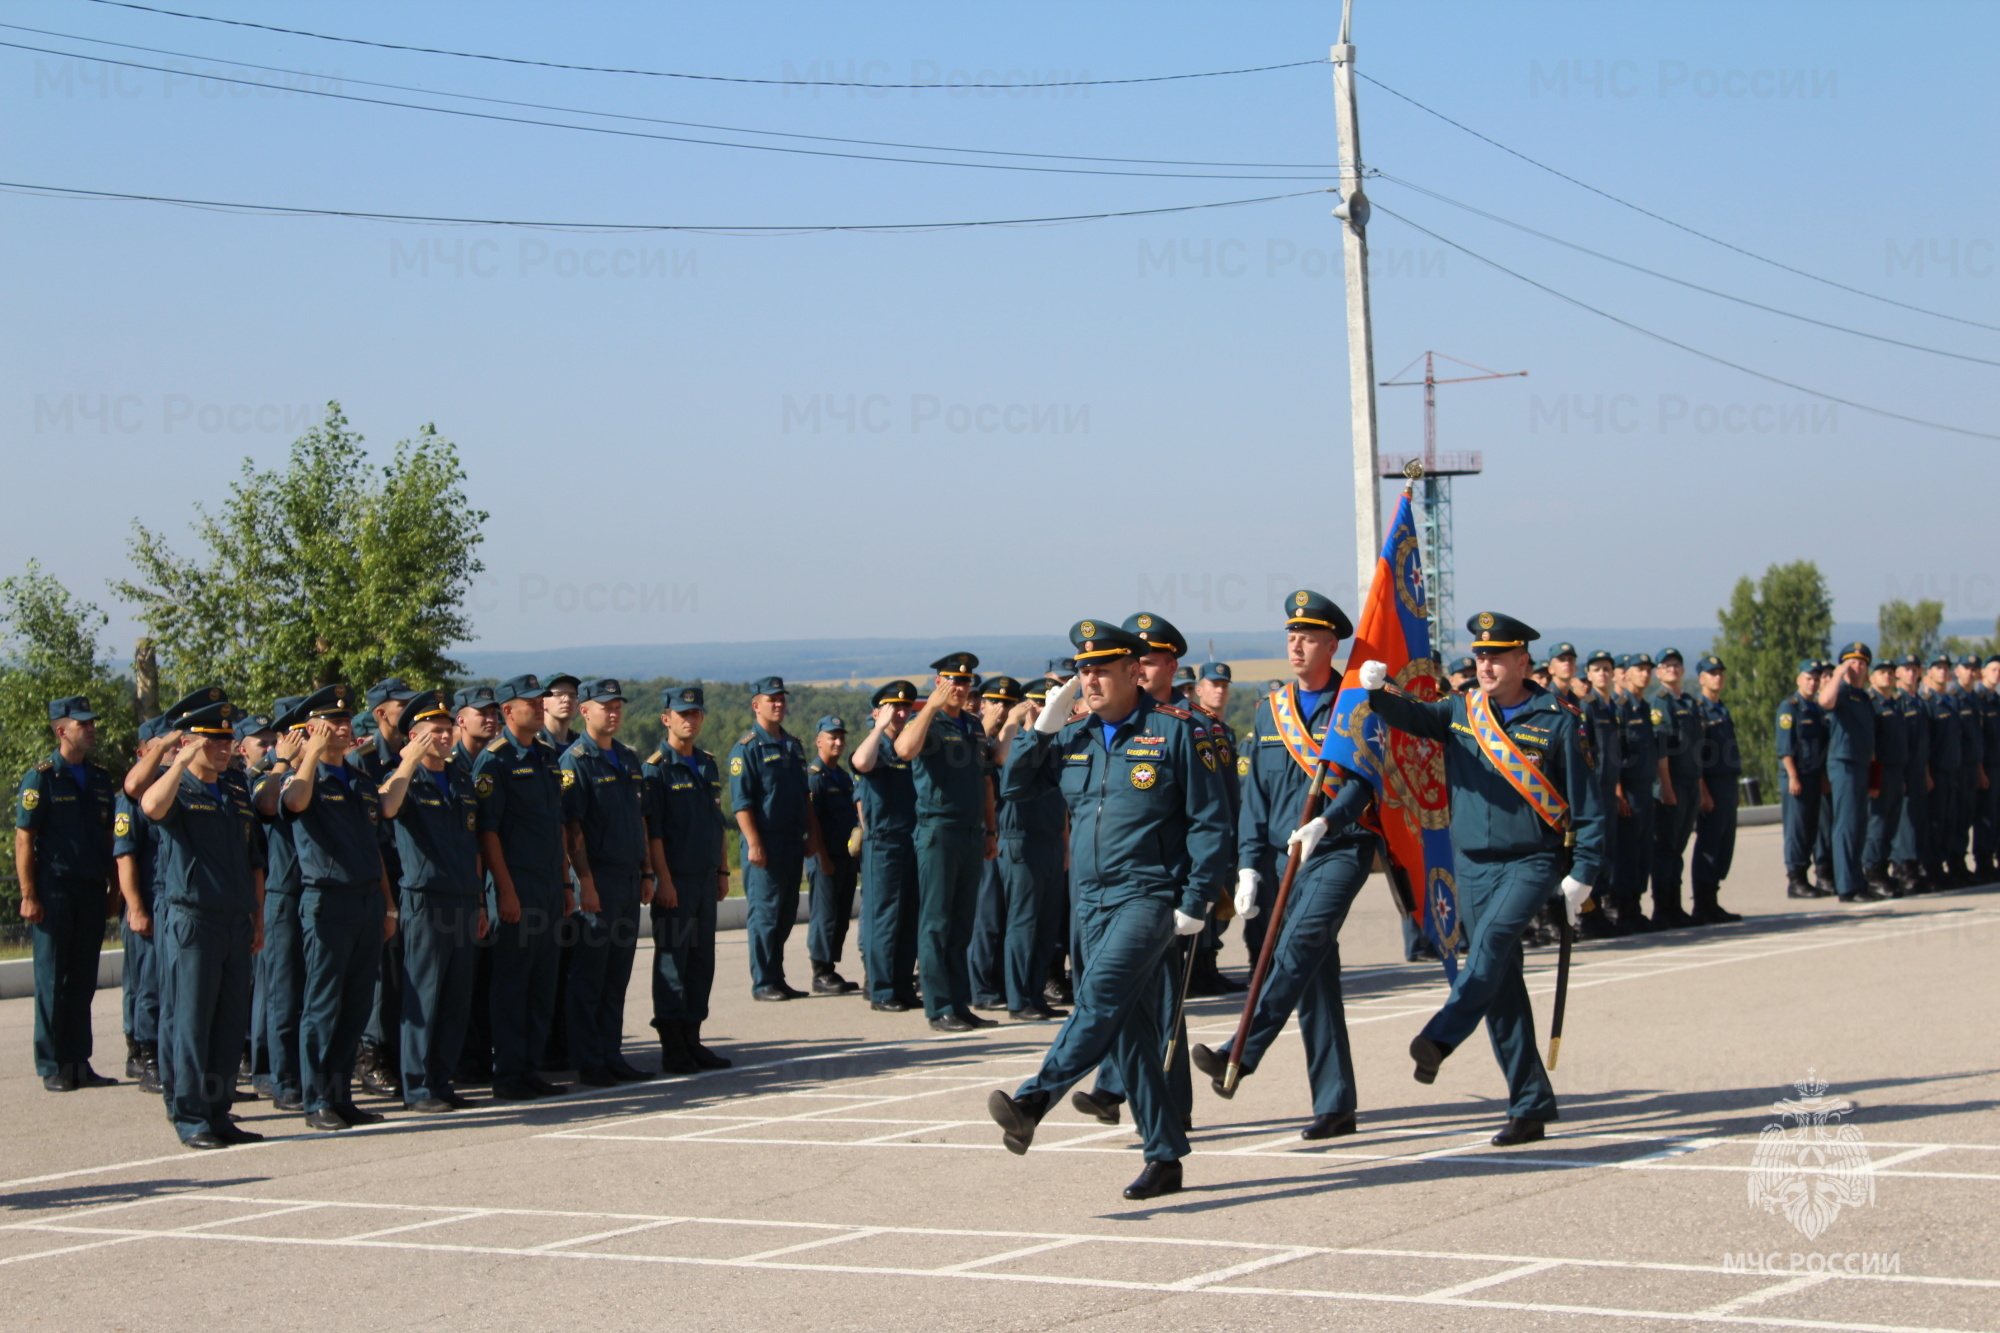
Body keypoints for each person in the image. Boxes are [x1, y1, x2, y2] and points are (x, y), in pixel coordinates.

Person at [986, 619, 1230, 1200]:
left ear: (1132, 670)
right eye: (1081, 669)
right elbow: (1016, 786)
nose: (1088, 679)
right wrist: (1044, 725)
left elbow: (1211, 821)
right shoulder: (1075, 735)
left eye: (1100, 668)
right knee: (1129, 1032)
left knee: (1097, 999)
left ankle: (1032, 1100)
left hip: (1148, 896)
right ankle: (1165, 1155)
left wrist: (1197, 900)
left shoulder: (1177, 732)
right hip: (1089, 900)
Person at [1362, 611, 1605, 1147]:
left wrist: (1583, 873)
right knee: (1502, 990)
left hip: (1530, 861)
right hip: (1472, 863)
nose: (1486, 664)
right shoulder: (1461, 709)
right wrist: (1378, 693)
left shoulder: (1559, 720)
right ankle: (1530, 1103)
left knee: (1491, 948)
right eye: (1479, 656)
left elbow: (1589, 807)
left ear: (1523, 661)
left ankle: (1438, 1039)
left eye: (1497, 656)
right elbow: (1414, 718)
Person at [1192, 589, 1378, 1141]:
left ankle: (1241, 1051)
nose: (1297, 645)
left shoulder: (1357, 703)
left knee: (1296, 948)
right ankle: (1336, 1103)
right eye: (1291, 636)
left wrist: (1329, 822)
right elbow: (1256, 794)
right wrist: (1248, 865)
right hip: (1278, 856)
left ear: (1333, 644)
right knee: (1314, 976)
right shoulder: (1272, 710)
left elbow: (1369, 781)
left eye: (1310, 637)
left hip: (1336, 850)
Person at [141, 700, 266, 1147]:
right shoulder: (179, 790)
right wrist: (178, 759)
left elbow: (252, 860)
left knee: (228, 1024)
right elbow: (150, 804)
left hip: (234, 919)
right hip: (193, 919)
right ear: (194, 742)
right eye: (215, 741)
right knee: (191, 1022)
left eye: (227, 740)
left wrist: (257, 917)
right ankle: (189, 1114)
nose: (225, 748)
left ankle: (217, 1111)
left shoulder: (233, 793)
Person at [277, 685, 397, 1130]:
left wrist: (387, 907)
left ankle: (341, 1094)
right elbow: (293, 803)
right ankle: (316, 1100)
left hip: (366, 900)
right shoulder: (304, 778)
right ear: (312, 729)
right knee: (323, 1005)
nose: (343, 729)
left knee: (355, 1005)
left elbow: (375, 846)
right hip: (328, 901)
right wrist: (308, 752)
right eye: (333, 722)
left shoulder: (360, 781)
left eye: (347, 722)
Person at [474, 674, 582, 1100]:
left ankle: (531, 1067)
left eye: (542, 701)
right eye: (530, 702)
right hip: (515, 884)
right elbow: (489, 832)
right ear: (507, 711)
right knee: (512, 984)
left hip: (547, 885)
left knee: (541, 982)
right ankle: (508, 1074)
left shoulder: (546, 756)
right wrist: (505, 890)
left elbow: (556, 825)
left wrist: (565, 884)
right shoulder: (495, 760)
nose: (540, 707)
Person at [377, 690, 484, 1112]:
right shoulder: (403, 777)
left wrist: (477, 902)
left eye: (447, 729)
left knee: (456, 998)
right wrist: (408, 759)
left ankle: (442, 1080)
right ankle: (418, 1086)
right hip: (425, 900)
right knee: (423, 995)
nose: (445, 736)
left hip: (461, 897)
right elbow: (387, 808)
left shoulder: (460, 778)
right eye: (434, 731)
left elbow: (471, 843)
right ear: (415, 736)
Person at [15, 695, 120, 1092]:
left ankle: (79, 1062)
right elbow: (25, 839)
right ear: (62, 730)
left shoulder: (98, 777)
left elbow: (109, 838)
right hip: (54, 891)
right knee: (51, 980)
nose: (91, 728)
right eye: (82, 724)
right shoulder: (41, 776)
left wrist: (112, 889)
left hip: (91, 890)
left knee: (81, 980)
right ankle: (51, 1064)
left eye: (92, 722)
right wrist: (29, 895)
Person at [559, 679, 661, 1085]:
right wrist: (584, 881)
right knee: (589, 975)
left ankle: (611, 1052)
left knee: (617, 974)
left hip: (626, 876)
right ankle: (588, 1060)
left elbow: (638, 820)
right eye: (605, 706)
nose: (614, 713)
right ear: (585, 711)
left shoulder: (626, 757)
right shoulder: (576, 760)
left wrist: (647, 871)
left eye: (618, 706)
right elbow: (572, 827)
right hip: (596, 878)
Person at [894, 654, 996, 1033]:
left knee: (961, 923)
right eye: (953, 680)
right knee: (936, 922)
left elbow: (985, 780)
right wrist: (927, 709)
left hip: (970, 832)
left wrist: (990, 831)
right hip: (938, 830)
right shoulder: (928, 720)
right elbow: (904, 751)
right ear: (938, 682)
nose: (961, 687)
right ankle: (939, 1008)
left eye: (967, 681)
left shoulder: (972, 724)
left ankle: (959, 1003)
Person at [643, 686, 732, 1074]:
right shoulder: (657, 768)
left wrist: (723, 870)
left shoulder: (707, 764)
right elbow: (654, 832)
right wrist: (662, 879)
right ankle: (672, 1045)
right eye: (682, 714)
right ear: (666, 719)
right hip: (675, 880)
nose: (689, 720)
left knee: (701, 961)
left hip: (703, 876)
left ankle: (693, 1037)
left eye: (695, 713)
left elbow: (717, 823)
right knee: (672, 963)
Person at [728, 677, 826, 1002]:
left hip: (792, 842)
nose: (779, 704)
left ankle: (778, 977)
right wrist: (754, 843)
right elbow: (741, 804)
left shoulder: (793, 745)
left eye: (782, 699)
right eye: (772, 700)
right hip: (765, 844)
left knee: (785, 912)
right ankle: (763, 981)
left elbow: (805, 796)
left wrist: (812, 834)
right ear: (756, 705)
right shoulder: (747, 748)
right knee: (765, 914)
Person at [354, 677, 420, 1102]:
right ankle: (372, 1056)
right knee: (382, 974)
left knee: (405, 975)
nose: (413, 712)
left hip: (414, 876)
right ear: (381, 713)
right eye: (404, 706)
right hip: (382, 874)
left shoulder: (422, 752)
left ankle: (400, 1053)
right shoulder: (364, 759)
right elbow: (375, 820)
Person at [992, 679, 1070, 1021]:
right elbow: (1002, 757)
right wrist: (1016, 721)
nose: (1043, 710)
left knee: (1046, 924)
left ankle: (1035, 993)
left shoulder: (1059, 744)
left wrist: (1065, 846)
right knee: (1023, 924)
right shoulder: (1020, 742)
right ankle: (1018, 998)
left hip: (1051, 839)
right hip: (1020, 839)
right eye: (1037, 703)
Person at [850, 681, 921, 1013]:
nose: (902, 713)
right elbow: (861, 763)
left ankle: (902, 985)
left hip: (912, 839)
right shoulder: (876, 745)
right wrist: (878, 727)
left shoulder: (911, 745)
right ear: (879, 711)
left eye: (907, 708)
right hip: (883, 842)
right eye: (895, 708)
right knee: (884, 919)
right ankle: (880, 990)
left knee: (908, 918)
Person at [114, 717, 168, 1093]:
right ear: (143, 751)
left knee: (166, 983)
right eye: (161, 745)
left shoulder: (176, 789)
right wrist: (135, 906)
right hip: (147, 899)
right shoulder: (131, 798)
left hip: (172, 899)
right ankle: (144, 1054)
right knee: (147, 983)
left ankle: (161, 1052)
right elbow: (126, 855)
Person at [1187, 662, 1249, 992]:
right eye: (1213, 684)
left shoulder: (1225, 730)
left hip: (1229, 826)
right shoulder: (1195, 725)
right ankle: (1198, 969)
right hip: (1210, 826)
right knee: (1207, 899)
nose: (1220, 690)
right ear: (1199, 689)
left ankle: (1208, 965)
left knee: (1221, 900)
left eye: (1224, 684)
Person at [967, 679, 1023, 1011]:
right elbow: (992, 756)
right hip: (983, 832)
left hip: (1004, 832)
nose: (1001, 710)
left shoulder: (1010, 735)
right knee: (985, 916)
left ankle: (999, 983)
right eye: (994, 702)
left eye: (1007, 703)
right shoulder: (974, 734)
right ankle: (982, 988)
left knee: (1003, 914)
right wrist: (1004, 722)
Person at [1648, 648, 1708, 929]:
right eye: (1666, 666)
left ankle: (1675, 905)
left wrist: (1701, 787)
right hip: (1671, 785)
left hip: (1690, 782)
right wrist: (1667, 787)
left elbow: (1695, 750)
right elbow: (1662, 751)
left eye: (1677, 665)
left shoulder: (1690, 703)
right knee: (1666, 849)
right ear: (1658, 673)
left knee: (1678, 849)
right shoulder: (1661, 704)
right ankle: (1663, 908)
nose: (1672, 669)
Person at [805, 715, 863, 996]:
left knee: (840, 915)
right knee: (825, 915)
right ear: (819, 741)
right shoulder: (814, 777)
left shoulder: (842, 776)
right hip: (825, 858)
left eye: (841, 737)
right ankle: (820, 971)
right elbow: (812, 821)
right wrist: (822, 858)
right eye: (832, 737)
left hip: (845, 857)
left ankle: (830, 967)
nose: (838, 742)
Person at [1574, 651, 1624, 937]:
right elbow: (1585, 753)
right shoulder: (1588, 708)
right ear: (1589, 675)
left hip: (1608, 789)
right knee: (1594, 854)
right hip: (1593, 791)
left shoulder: (1610, 708)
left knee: (1608, 852)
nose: (1603, 674)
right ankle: (1589, 916)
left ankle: (1602, 912)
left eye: (1607, 669)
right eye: (1597, 669)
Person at [1689, 655, 1742, 924]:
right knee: (1709, 843)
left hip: (1727, 782)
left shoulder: (1722, 709)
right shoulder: (1699, 710)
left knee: (1725, 843)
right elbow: (1697, 756)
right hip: (1710, 784)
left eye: (1720, 672)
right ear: (1701, 679)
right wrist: (1703, 790)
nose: (1717, 677)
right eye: (1712, 673)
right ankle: (1703, 902)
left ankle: (1713, 898)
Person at [1611, 655, 1658, 930]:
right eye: (1639, 669)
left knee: (1642, 851)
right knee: (1626, 852)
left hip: (1644, 788)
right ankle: (1623, 909)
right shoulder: (1621, 707)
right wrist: (1619, 791)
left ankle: (1636, 907)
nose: (1645, 674)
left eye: (1648, 670)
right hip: (1628, 790)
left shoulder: (1643, 707)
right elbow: (1616, 753)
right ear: (1626, 675)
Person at [1776, 660, 1831, 899]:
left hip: (1813, 777)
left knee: (1810, 829)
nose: (1812, 683)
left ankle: (1808, 878)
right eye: (1808, 678)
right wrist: (1793, 776)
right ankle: (1795, 880)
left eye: (1816, 679)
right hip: (1796, 778)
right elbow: (1785, 747)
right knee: (1797, 830)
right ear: (1798, 679)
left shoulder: (1817, 708)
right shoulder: (1790, 708)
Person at [1863, 659, 1909, 896]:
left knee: (1891, 823)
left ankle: (1884, 869)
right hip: (1879, 770)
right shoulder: (1871, 704)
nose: (1887, 677)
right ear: (1872, 678)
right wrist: (1873, 780)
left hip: (1895, 770)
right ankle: (1872, 872)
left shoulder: (1896, 704)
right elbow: (1870, 745)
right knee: (1877, 824)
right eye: (1882, 672)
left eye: (1891, 673)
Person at [1918, 654, 1963, 889]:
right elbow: (1925, 743)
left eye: (1946, 668)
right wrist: (1926, 773)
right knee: (1934, 823)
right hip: (1935, 771)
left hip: (1952, 770)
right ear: (1929, 672)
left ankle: (1944, 867)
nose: (1943, 672)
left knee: (1948, 821)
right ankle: (1931, 868)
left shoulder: (1951, 701)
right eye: (1938, 668)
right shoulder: (1927, 702)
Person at [1893, 655, 1934, 893]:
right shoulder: (1897, 701)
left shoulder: (1919, 702)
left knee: (1919, 820)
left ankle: (1917, 866)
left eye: (1914, 669)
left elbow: (1925, 742)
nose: (1910, 673)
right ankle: (1903, 869)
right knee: (1904, 823)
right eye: (1906, 669)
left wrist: (1926, 772)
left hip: (1920, 769)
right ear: (1898, 673)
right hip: (1903, 770)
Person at [1949, 654, 1987, 884]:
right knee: (1954, 817)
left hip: (1972, 765)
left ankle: (1961, 863)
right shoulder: (1953, 698)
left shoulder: (1976, 699)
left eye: (1975, 669)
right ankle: (1954, 863)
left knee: (1966, 817)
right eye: (1967, 668)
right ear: (1958, 671)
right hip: (1956, 766)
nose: (1971, 673)